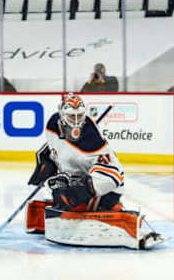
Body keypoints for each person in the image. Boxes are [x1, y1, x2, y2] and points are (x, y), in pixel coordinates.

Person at [25, 93, 164, 249]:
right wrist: (48, 160)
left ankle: (112, 209)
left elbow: (115, 176)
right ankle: (71, 207)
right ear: (61, 115)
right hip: (77, 179)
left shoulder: (92, 139)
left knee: (66, 194)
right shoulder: (52, 124)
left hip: (105, 192)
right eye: (72, 116)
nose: (77, 121)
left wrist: (82, 191)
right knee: (58, 187)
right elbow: (56, 147)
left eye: (80, 115)